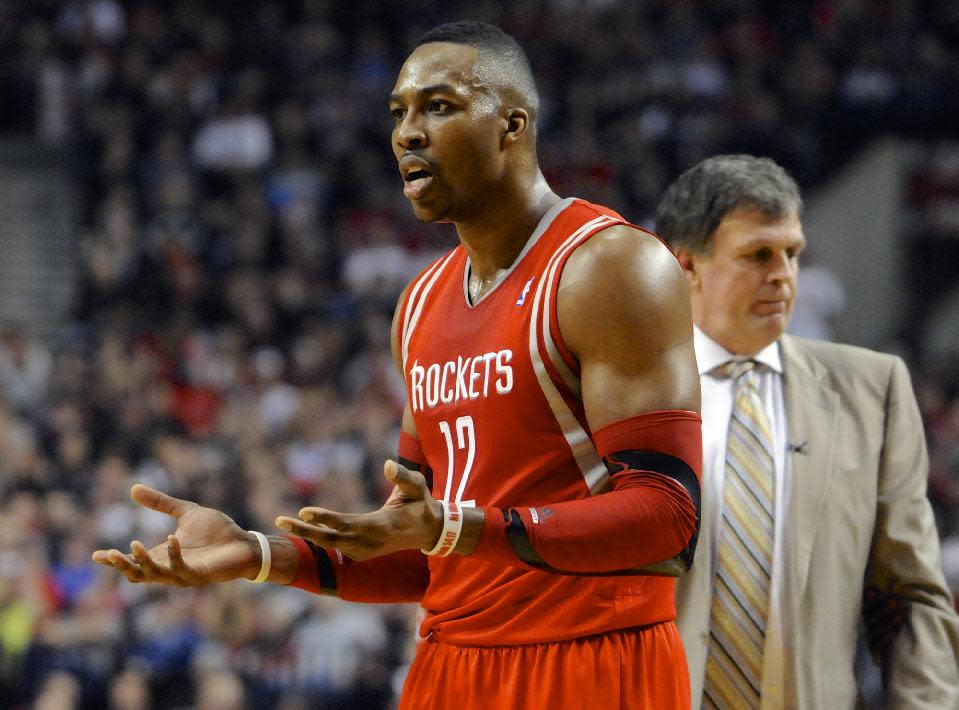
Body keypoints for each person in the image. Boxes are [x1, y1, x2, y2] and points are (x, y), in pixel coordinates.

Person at [93, 21, 703, 709]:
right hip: (447, 667)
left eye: (438, 106)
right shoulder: (418, 304)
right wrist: (259, 552)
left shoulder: (611, 267)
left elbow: (667, 519)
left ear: (511, 124)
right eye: (398, 113)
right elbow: (414, 548)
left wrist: (455, 527)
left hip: (588, 661)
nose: (407, 133)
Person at [655, 154, 959, 709]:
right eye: (757, 256)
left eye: (792, 253)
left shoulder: (874, 391)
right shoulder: (614, 395)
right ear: (686, 266)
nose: (782, 275)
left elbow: (911, 598)